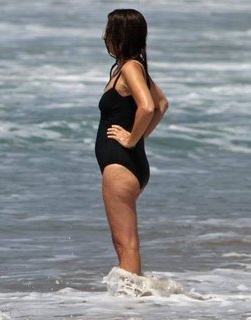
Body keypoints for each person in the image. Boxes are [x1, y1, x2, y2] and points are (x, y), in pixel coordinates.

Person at [96, 8, 169, 277]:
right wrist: (138, 140)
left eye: (109, 31)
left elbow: (148, 107)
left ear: (119, 35)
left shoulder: (129, 68)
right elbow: (162, 104)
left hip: (121, 166)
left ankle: (131, 308)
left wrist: (131, 139)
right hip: (129, 163)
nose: (104, 36)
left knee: (125, 244)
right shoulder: (132, 67)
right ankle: (134, 306)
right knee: (126, 244)